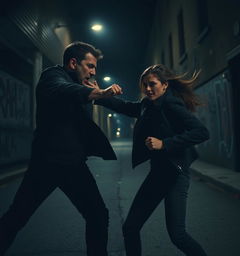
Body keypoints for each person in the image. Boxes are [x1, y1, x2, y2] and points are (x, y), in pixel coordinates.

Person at [0, 41, 122, 256]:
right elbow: (64, 90)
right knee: (17, 217)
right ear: (73, 63)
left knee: (97, 215)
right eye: (90, 66)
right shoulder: (52, 77)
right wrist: (100, 93)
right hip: (46, 164)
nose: (94, 72)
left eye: (95, 68)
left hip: (74, 165)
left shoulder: (81, 84)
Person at [94, 64, 209, 256]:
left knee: (177, 235)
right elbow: (125, 107)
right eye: (145, 85)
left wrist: (165, 144)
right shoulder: (148, 105)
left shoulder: (172, 104)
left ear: (164, 85)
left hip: (175, 174)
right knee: (130, 227)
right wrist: (100, 95)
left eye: (152, 84)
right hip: (158, 174)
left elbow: (201, 132)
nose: (148, 89)